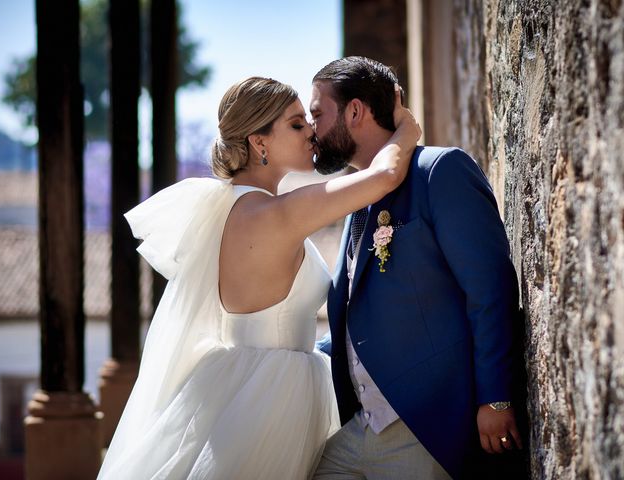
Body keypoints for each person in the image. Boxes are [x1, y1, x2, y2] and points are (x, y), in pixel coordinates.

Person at [97, 76, 421, 479]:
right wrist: (407, 125)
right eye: (296, 124)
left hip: (236, 385)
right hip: (270, 402)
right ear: (259, 142)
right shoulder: (275, 214)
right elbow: (385, 176)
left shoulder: (230, 208)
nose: (312, 133)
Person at [311, 57, 525, 480]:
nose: (312, 130)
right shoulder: (356, 203)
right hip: (360, 430)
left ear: (355, 111)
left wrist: (496, 398)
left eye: (317, 113)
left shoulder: (440, 172)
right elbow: (357, 318)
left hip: (426, 430)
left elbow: (491, 288)